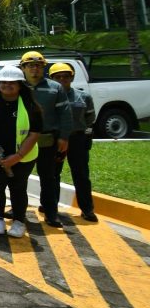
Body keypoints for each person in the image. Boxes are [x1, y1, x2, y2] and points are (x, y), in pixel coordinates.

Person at [0, 66, 43, 238]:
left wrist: (17, 157)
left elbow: (35, 132)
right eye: (4, 82)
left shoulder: (30, 105)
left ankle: (19, 221)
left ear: (20, 85)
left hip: (23, 157)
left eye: (12, 83)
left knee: (18, 188)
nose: (7, 85)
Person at [20, 51, 73, 228]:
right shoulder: (17, 87)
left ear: (44, 68)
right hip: (22, 140)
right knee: (19, 178)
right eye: (30, 66)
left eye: (38, 65)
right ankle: (18, 210)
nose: (34, 69)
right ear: (23, 68)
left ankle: (51, 213)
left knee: (48, 177)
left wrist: (64, 137)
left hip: (47, 139)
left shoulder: (54, 88)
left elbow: (65, 114)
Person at [49, 62, 98, 222]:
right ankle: (50, 206)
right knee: (53, 174)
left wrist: (84, 135)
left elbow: (90, 118)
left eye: (66, 76)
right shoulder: (50, 97)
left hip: (77, 139)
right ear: (52, 78)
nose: (62, 79)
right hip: (56, 140)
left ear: (72, 77)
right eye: (58, 77)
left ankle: (87, 209)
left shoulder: (83, 97)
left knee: (81, 175)